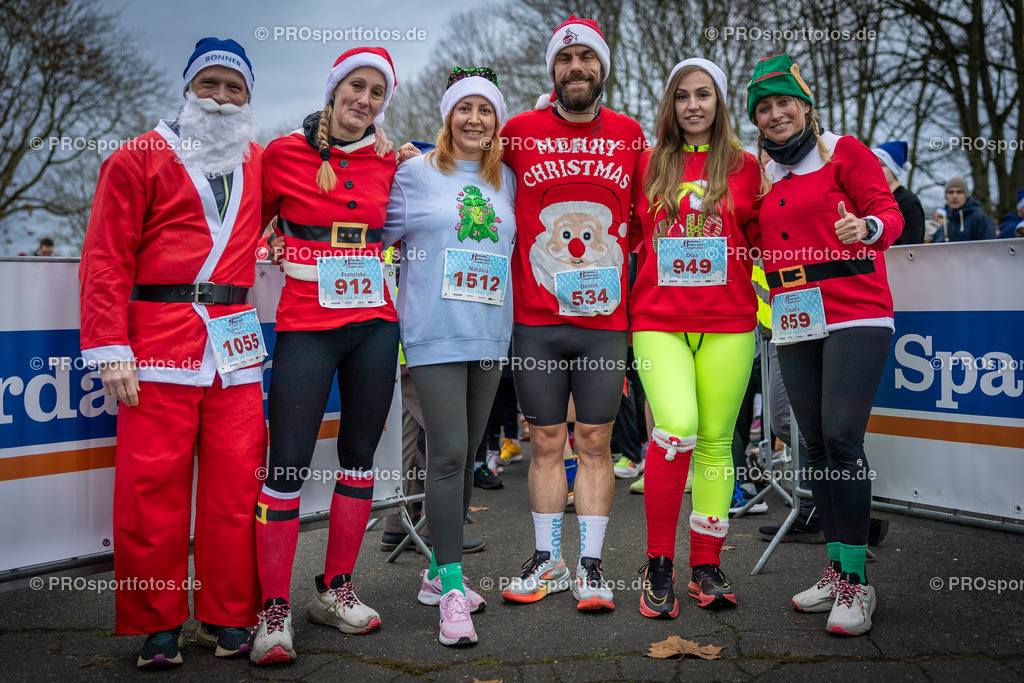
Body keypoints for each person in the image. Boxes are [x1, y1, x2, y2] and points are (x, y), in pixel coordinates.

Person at [79, 37, 264, 668]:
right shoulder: (135, 159)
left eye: (233, 88)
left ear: (247, 98)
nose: (219, 98)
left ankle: (228, 615)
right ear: (187, 90)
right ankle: (157, 622)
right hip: (157, 347)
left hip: (235, 349)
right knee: (149, 488)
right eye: (208, 85)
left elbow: (326, 165)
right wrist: (109, 346)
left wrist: (396, 146)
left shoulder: (259, 160)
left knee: (236, 488)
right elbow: (105, 258)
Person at [251, 47, 399, 665]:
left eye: (376, 93)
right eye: (355, 87)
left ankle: (335, 589)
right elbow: (246, 226)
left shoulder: (394, 159)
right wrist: (268, 245)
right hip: (307, 327)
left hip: (374, 326)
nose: (363, 100)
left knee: (360, 458)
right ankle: (273, 610)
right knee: (285, 463)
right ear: (334, 90)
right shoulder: (280, 154)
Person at [747, 53, 904, 636]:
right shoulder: (766, 174)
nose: (776, 114)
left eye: (784, 102)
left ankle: (860, 582)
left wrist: (866, 228)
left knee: (841, 436)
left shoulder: (845, 151)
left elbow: (888, 213)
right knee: (811, 441)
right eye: (764, 109)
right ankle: (837, 568)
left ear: (806, 106)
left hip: (856, 311)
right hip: (794, 314)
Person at [497, 15, 645, 611]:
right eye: (565, 59)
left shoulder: (632, 135)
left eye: (587, 58)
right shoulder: (517, 130)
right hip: (537, 319)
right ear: (553, 71)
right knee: (545, 441)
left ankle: (590, 566)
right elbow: (460, 164)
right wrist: (402, 148)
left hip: (605, 324)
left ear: (602, 68)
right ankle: (546, 559)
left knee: (597, 440)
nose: (576, 67)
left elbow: (661, 204)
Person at [382, 65, 516, 646]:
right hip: (434, 335)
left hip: (489, 335)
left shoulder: (506, 180)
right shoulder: (413, 175)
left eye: (485, 110)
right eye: (465, 109)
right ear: (447, 117)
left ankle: (438, 574)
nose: (474, 119)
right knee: (449, 453)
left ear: (496, 123)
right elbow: (371, 238)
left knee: (466, 457)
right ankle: (454, 590)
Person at [629, 58, 762, 619]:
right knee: (676, 428)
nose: (692, 105)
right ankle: (659, 563)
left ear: (719, 102)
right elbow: (625, 233)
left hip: (730, 321)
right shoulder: (649, 163)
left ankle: (705, 563)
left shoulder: (747, 166)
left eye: (703, 95)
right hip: (658, 318)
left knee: (714, 441)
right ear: (670, 104)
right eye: (681, 96)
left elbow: (767, 233)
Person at [872, 141, 925, 245]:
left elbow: (912, 246)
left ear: (894, 169)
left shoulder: (908, 201)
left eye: (882, 165)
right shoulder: (874, 200)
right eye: (873, 164)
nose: (876, 169)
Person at [933, 176, 995, 242]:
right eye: (951, 192)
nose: (954, 196)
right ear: (946, 196)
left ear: (966, 195)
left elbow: (990, 248)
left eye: (959, 192)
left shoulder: (980, 219)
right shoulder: (947, 223)